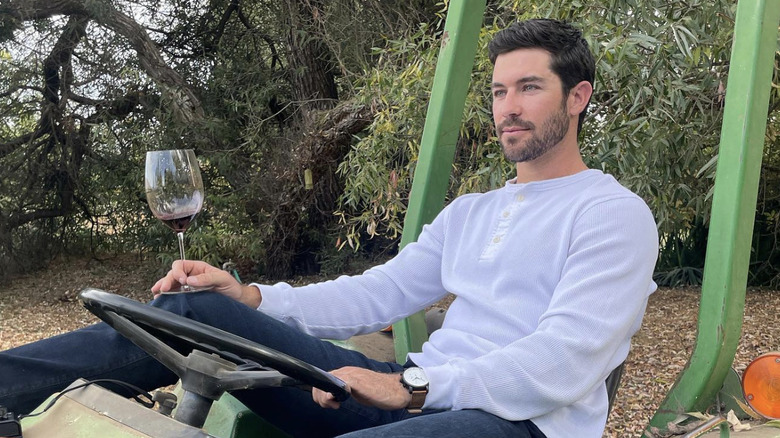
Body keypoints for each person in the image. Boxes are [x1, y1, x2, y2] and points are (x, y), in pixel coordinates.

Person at [0, 18, 658, 438]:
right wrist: (250, 298)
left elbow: (567, 360)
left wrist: (411, 387)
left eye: (529, 89)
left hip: (513, 423)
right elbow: (374, 295)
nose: (508, 109)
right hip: (416, 390)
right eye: (497, 91)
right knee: (191, 305)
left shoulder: (610, 215)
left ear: (578, 97)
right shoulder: (472, 213)